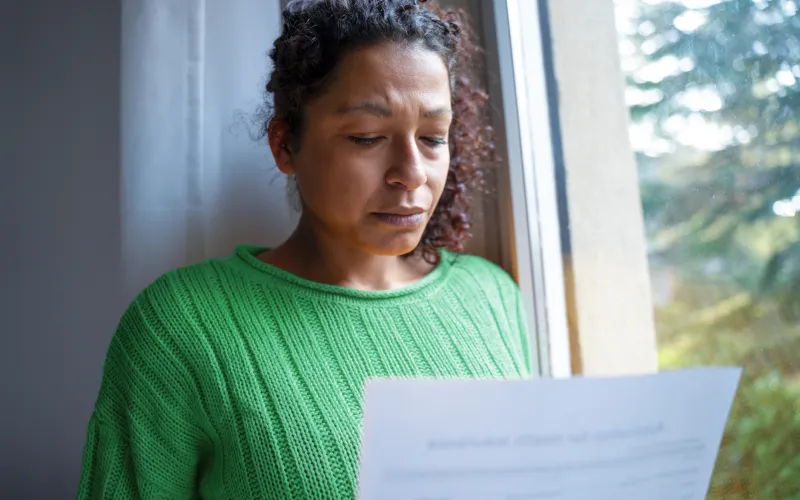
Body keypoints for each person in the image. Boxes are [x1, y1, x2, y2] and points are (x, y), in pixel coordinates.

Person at [77, 0, 531, 498]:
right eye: (367, 137)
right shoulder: (179, 327)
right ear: (284, 145)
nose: (413, 173)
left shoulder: (491, 296)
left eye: (433, 137)